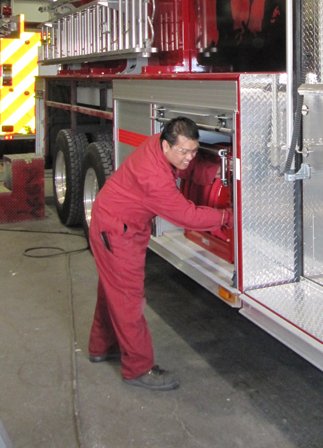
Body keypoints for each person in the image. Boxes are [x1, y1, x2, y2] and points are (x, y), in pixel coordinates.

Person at [88, 117, 233, 390]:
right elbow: (187, 216)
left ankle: (101, 346)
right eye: (184, 151)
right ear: (167, 146)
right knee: (128, 299)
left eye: (194, 151)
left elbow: (186, 168)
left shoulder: (160, 144)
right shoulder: (153, 176)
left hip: (116, 223)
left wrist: (215, 171)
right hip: (116, 231)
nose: (189, 157)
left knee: (112, 291)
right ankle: (138, 369)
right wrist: (227, 216)